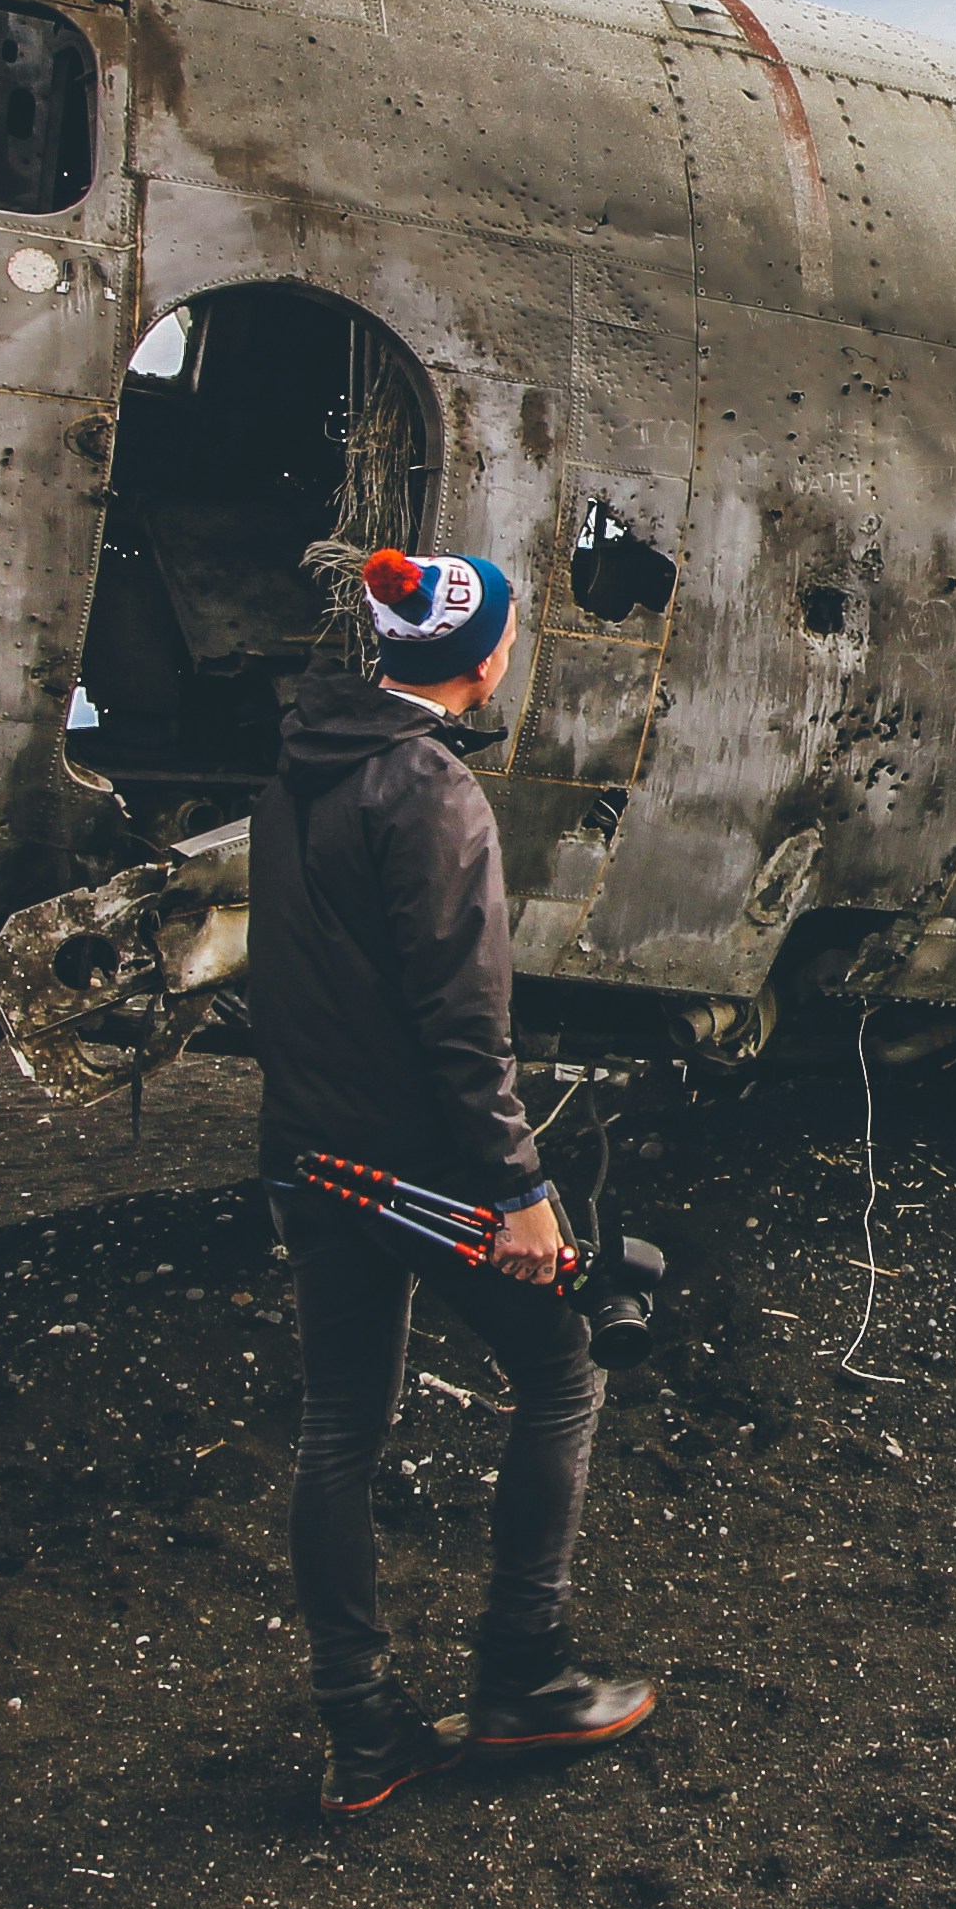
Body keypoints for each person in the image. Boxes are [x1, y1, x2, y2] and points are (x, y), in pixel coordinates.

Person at [247, 544, 658, 1811]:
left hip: (311, 1160)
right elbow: (464, 1020)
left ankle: (360, 1730)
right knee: (559, 1372)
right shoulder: (429, 794)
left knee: (339, 1432)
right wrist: (518, 1190)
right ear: (485, 656)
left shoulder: (296, 777)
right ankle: (523, 1681)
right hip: (421, 1171)